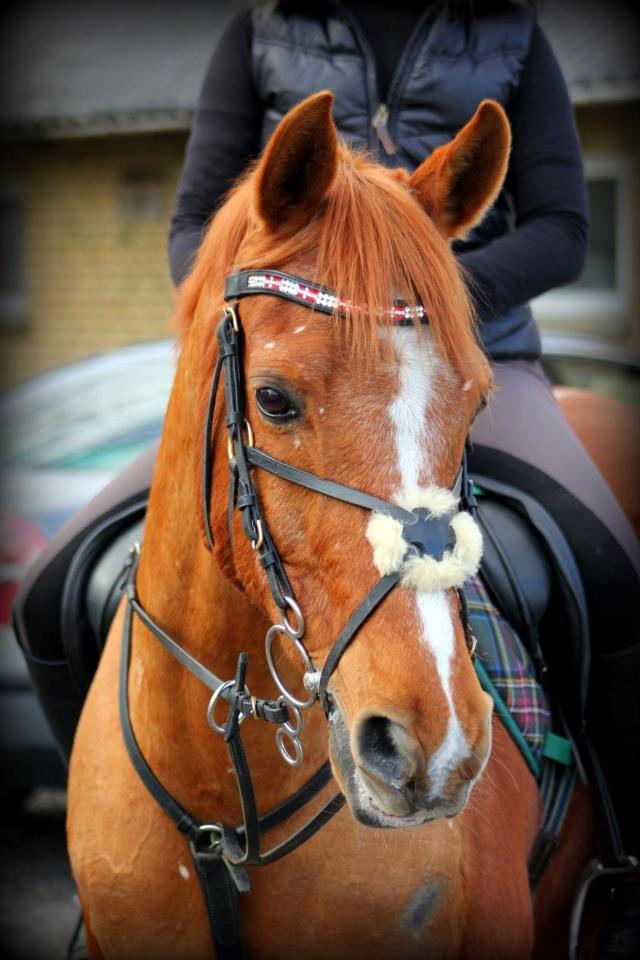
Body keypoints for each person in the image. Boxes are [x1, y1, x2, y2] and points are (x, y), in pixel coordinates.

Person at [167, 1, 640, 955]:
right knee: (57, 589)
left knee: (609, 573)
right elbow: (192, 224)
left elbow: (561, 229)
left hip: (470, 363)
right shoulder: (257, 30)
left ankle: (623, 862)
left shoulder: (515, 33)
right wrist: (279, 315)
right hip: (287, 363)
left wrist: (416, 293)